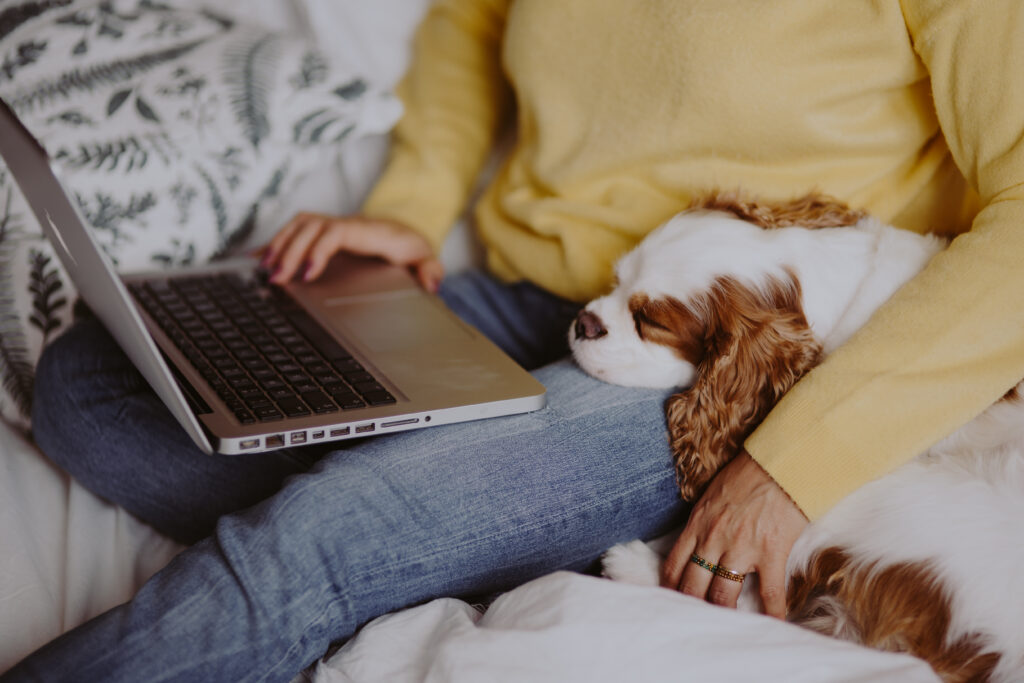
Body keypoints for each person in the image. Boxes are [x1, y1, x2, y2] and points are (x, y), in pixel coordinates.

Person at [7, 0, 1024, 680]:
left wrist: (793, 464)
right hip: (533, 290)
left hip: (722, 364)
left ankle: (378, 533)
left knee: (323, 535)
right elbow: (471, 17)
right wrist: (409, 208)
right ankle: (455, 527)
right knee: (92, 390)